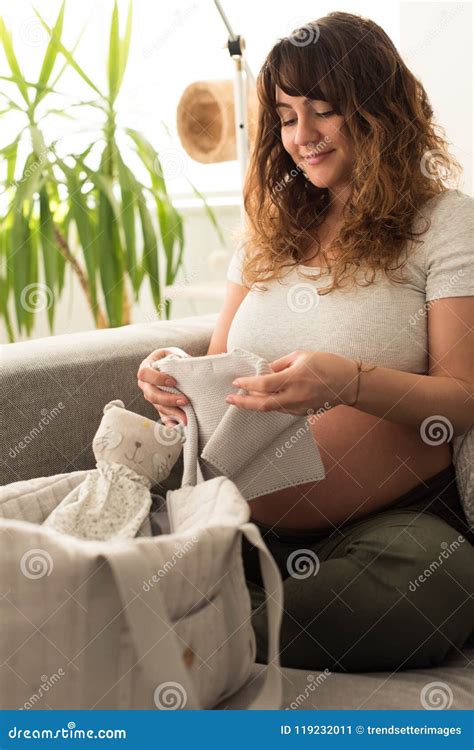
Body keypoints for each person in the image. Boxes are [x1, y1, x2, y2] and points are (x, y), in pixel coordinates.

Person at [137, 11, 474, 672]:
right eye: (287, 117)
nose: (302, 135)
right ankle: (193, 621)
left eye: (323, 110)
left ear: (378, 111)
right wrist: (169, 374)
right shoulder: (267, 231)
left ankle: (184, 635)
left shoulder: (444, 222)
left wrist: (343, 381)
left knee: (437, 586)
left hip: (386, 524)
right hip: (237, 520)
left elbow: (462, 398)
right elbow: (218, 366)